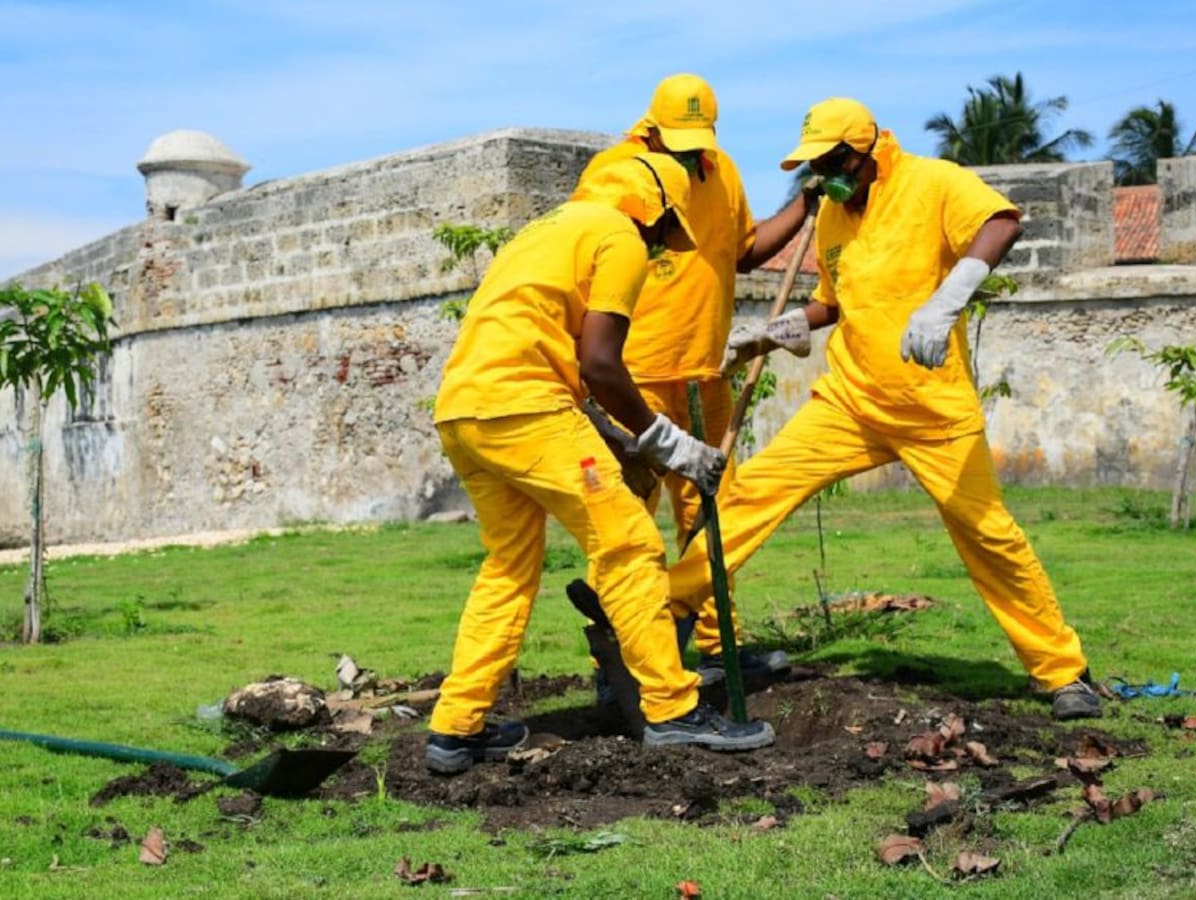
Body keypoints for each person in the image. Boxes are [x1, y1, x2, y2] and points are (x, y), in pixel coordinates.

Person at [667, 97, 1101, 721]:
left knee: (988, 535)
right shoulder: (834, 218)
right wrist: (777, 329)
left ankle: (1063, 673)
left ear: (865, 148)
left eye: (832, 161)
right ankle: (668, 603)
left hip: (932, 409)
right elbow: (833, 301)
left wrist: (947, 299)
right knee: (751, 493)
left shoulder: (933, 182)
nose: (822, 178)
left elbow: (1003, 221)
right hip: (850, 399)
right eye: (813, 166)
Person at [426, 152, 776, 775]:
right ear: (654, 211)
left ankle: (456, 728)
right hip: (528, 408)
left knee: (509, 567)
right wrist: (671, 443)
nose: (657, 248)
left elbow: (557, 362)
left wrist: (623, 441)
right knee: (630, 542)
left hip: (464, 411)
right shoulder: (619, 237)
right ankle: (672, 710)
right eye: (661, 234)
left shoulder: (547, 229)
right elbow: (602, 365)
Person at [573, 73, 818, 683]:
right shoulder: (616, 172)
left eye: (697, 139)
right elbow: (588, 254)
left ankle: (717, 648)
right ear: (650, 127)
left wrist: (803, 208)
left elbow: (743, 250)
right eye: (677, 140)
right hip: (634, 380)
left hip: (705, 374)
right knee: (626, 526)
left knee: (713, 516)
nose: (688, 151)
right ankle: (623, 663)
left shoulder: (719, 169)